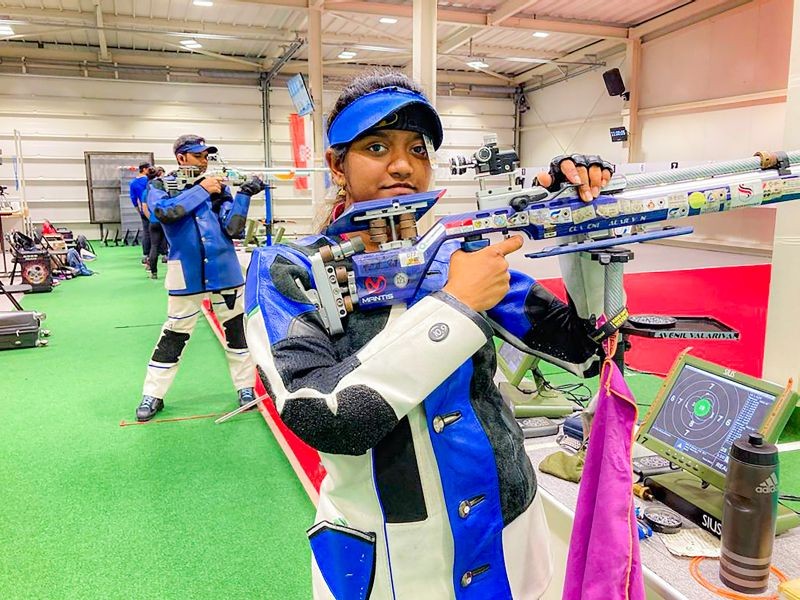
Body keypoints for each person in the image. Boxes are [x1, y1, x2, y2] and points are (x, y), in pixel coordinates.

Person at [244, 72, 613, 599]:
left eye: (418, 150)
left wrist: (586, 236)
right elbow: (324, 415)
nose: (402, 165)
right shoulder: (287, 269)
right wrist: (456, 305)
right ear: (336, 164)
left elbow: (586, 348)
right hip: (394, 555)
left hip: (508, 527)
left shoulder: (455, 252)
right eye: (377, 147)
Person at [135, 134, 265, 422]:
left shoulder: (218, 189)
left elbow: (232, 228)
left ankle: (245, 388)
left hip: (225, 273)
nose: (204, 161)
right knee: (173, 337)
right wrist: (203, 190)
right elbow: (165, 213)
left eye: (206, 156)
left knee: (237, 333)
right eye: (197, 156)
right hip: (186, 277)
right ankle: (152, 394)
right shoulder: (160, 186)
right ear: (181, 158)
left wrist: (243, 195)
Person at [140, 170, 169, 280]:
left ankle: (153, 273)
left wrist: (152, 218)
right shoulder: (164, 189)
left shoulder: (146, 192)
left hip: (153, 221)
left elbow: (144, 208)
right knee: (169, 246)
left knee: (154, 246)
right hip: (165, 221)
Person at [130, 162, 154, 267]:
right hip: (154, 209)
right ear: (144, 169)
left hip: (143, 210)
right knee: (159, 231)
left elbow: (133, 199)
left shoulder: (133, 183)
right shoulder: (149, 181)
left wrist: (139, 210)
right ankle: (164, 253)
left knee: (146, 232)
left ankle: (146, 254)